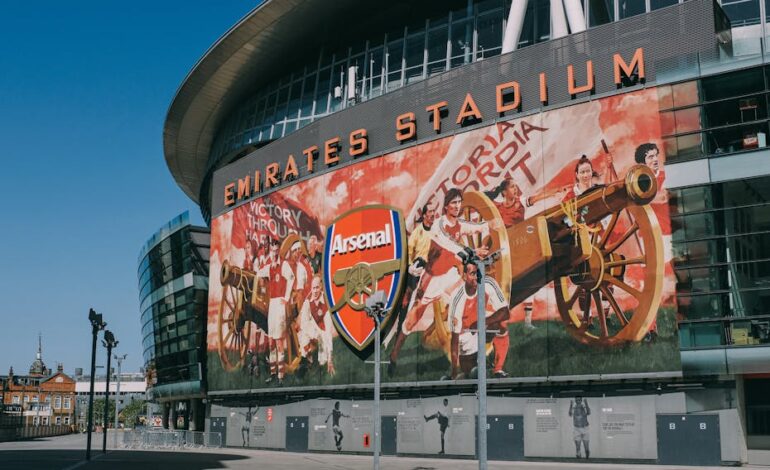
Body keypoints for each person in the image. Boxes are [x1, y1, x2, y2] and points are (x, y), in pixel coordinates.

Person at [389, 188, 492, 374]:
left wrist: (485, 244)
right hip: (432, 278)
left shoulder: (460, 224)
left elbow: (484, 226)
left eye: (459, 202)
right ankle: (394, 356)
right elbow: (450, 244)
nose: (457, 206)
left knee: (466, 307)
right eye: (453, 203)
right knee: (413, 318)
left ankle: (469, 359)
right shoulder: (438, 226)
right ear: (446, 207)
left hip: (451, 276)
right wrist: (473, 252)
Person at [386, 197, 438, 369]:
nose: (432, 215)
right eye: (429, 212)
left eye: (433, 212)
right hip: (416, 271)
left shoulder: (437, 230)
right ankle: (395, 346)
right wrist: (410, 268)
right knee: (408, 306)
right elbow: (409, 252)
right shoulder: (418, 232)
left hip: (434, 272)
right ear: (424, 215)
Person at [448, 263, 510, 379]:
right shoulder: (457, 299)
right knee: (471, 373)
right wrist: (454, 371)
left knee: (501, 324)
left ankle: (498, 369)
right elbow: (455, 339)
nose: (477, 277)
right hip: (466, 332)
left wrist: (482, 322)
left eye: (478, 273)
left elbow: (505, 313)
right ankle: (477, 364)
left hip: (481, 323)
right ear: (465, 276)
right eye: (472, 274)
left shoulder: (488, 283)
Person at [266, 238, 293, 385]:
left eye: (276, 250)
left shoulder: (284, 265)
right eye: (272, 250)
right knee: (271, 342)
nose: (274, 253)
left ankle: (281, 376)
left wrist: (287, 297)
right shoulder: (269, 267)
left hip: (280, 304)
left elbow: (291, 278)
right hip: (271, 304)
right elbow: (257, 274)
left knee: (279, 342)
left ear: (279, 250)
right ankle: (272, 373)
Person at [297, 275, 335, 375]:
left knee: (323, 358)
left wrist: (330, 359)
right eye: (313, 288)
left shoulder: (326, 303)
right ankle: (308, 359)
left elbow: (328, 331)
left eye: (317, 287)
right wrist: (310, 338)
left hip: (322, 329)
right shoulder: (308, 301)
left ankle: (323, 364)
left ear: (321, 287)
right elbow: (303, 322)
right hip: (312, 326)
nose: (315, 291)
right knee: (302, 335)